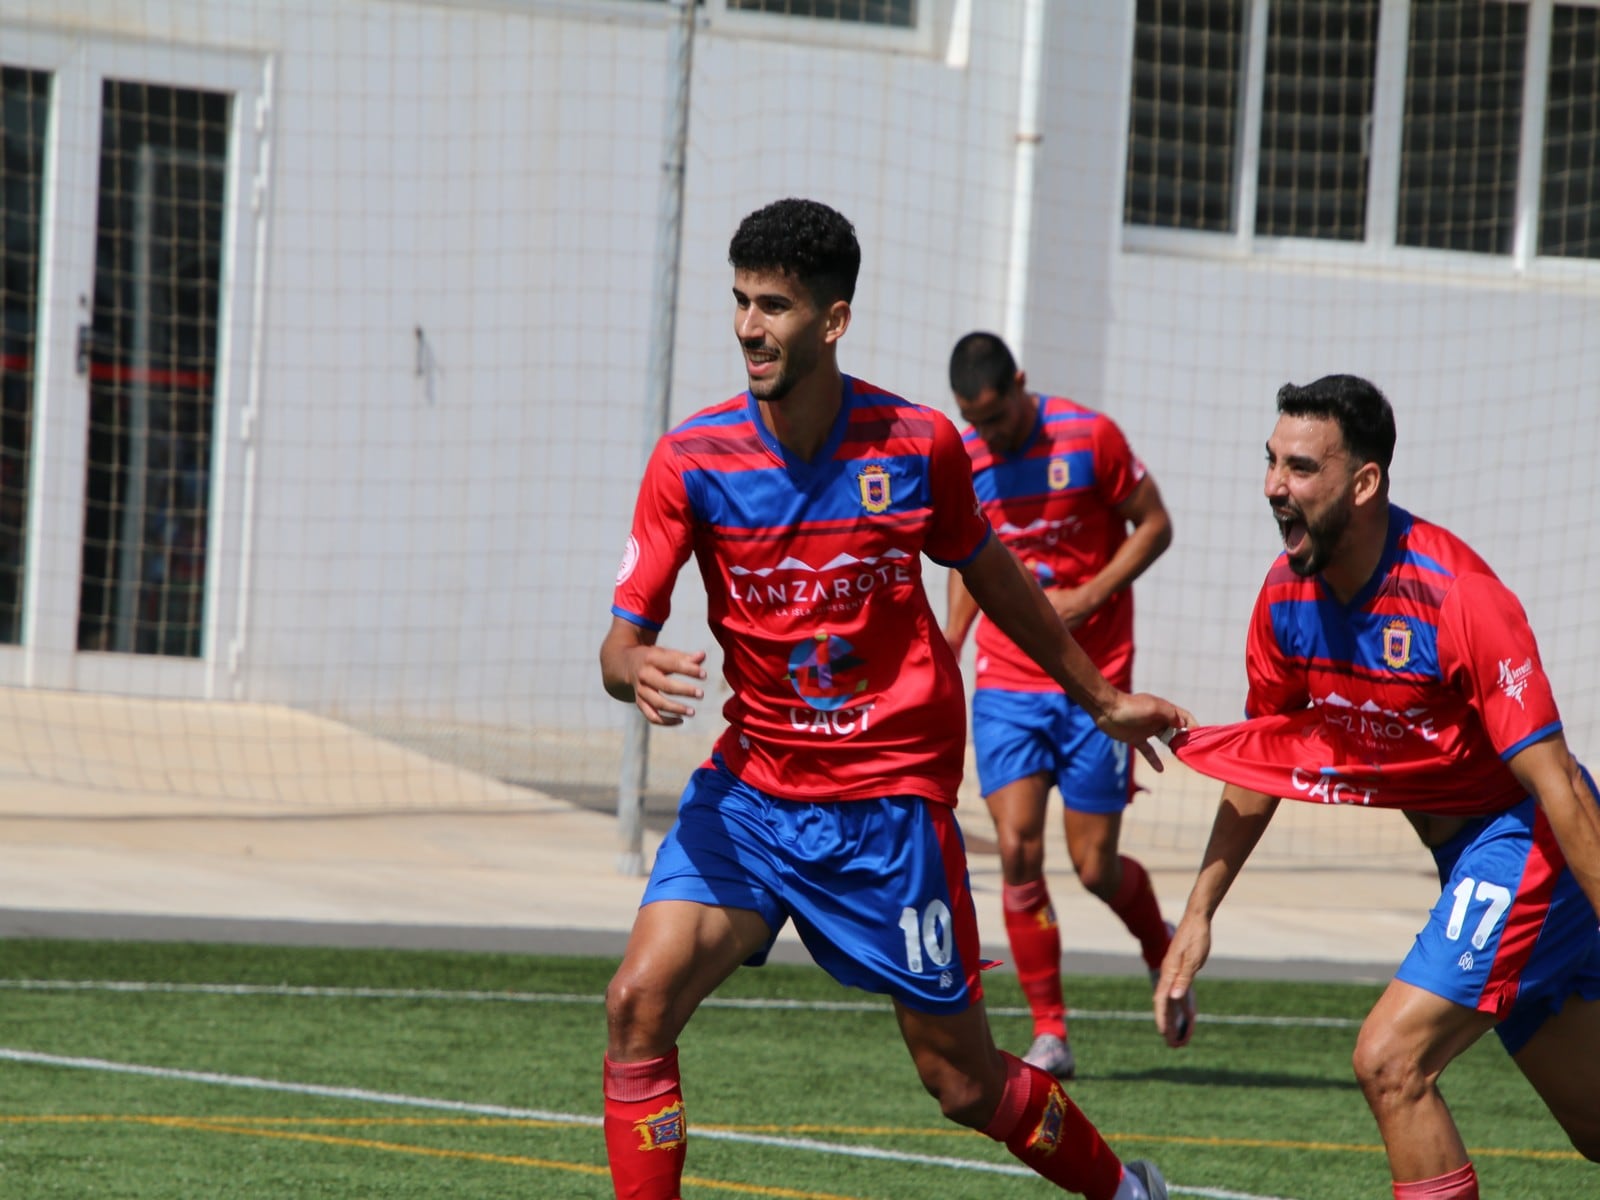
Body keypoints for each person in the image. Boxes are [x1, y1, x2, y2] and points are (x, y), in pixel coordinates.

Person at [600, 198, 1191, 1200]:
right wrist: (631, 665)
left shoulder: (916, 444)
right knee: (636, 1005)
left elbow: (993, 572)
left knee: (959, 1081)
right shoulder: (690, 460)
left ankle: (1127, 1193)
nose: (748, 326)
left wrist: (1098, 698)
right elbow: (622, 639)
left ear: (830, 321)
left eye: (774, 306)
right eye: (740, 301)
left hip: (886, 802)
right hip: (751, 793)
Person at [1156, 375, 1600, 1199]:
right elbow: (1268, 762)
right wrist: (1197, 913)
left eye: (1297, 468)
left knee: (1391, 1061)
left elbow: (1560, 785)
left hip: (1525, 841)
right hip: (1472, 864)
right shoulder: (1285, 598)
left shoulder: (1458, 598)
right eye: (1270, 463)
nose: (1271, 488)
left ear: (1363, 483)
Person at [942, 332, 1189, 1079]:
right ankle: (1050, 1031)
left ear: (1021, 383)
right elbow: (963, 557)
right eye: (975, 421)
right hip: (1009, 683)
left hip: (1095, 679)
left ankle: (1160, 944)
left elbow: (1156, 524)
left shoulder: (1090, 436)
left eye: (1000, 415)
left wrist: (1090, 594)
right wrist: (949, 644)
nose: (992, 432)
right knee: (1017, 849)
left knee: (1092, 867)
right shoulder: (965, 458)